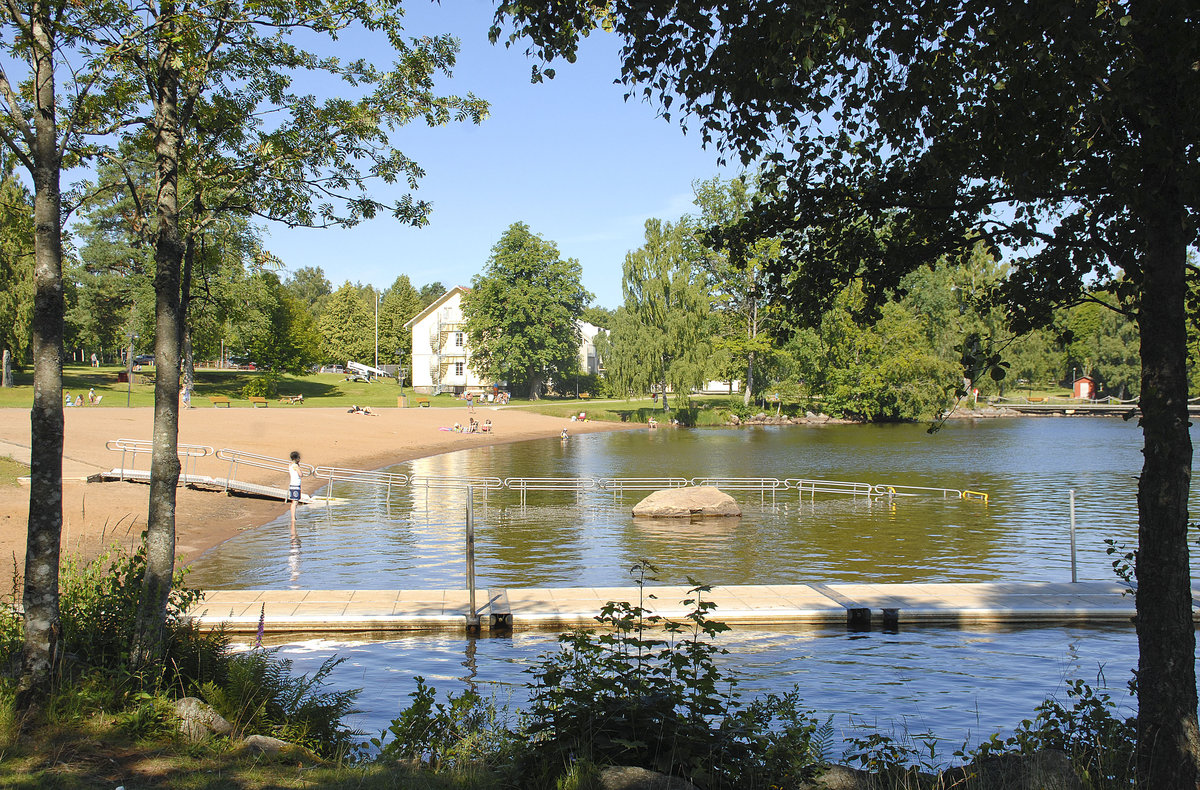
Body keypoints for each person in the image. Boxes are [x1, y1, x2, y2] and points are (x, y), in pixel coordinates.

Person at [287, 451, 303, 541]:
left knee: (294, 502)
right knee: (295, 502)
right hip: (295, 485)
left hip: (292, 485)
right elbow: (301, 474)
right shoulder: (295, 466)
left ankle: (293, 516)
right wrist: (299, 467)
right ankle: (293, 517)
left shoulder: (290, 465)